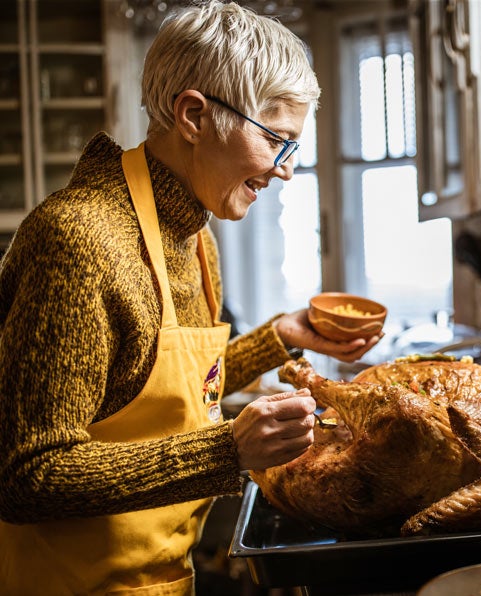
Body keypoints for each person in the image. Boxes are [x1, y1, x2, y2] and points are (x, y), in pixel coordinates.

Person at [0, 2, 381, 594]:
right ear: (195, 116)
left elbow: (168, 391)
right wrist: (227, 451)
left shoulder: (196, 238)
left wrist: (280, 337)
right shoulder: (77, 241)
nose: (284, 171)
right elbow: (27, 475)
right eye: (278, 141)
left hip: (166, 577)